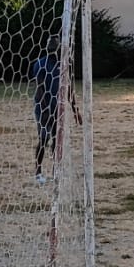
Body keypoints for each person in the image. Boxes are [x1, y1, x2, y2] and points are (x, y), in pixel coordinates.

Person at [30, 39, 80, 184]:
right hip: (43, 109)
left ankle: (55, 172)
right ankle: (38, 172)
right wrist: (46, 111)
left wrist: (75, 110)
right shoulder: (40, 64)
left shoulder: (63, 65)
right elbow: (40, 89)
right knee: (43, 139)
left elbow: (68, 88)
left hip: (58, 109)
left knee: (57, 141)